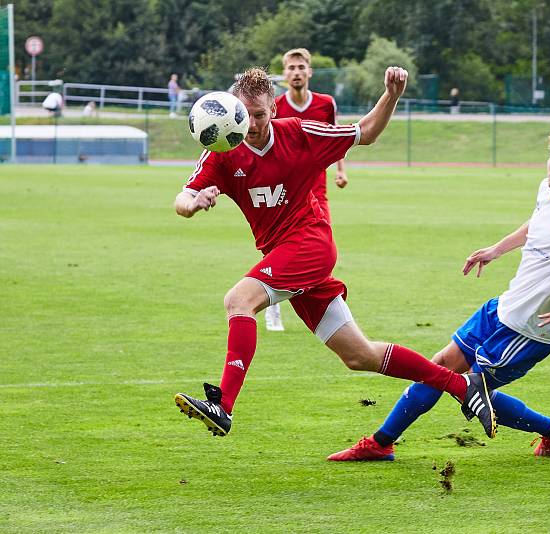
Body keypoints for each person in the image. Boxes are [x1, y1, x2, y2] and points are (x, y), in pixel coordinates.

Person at [172, 66, 496, 440]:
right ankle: (462, 385)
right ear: (235, 112)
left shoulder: (301, 134)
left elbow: (367, 133)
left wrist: (391, 94)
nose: (253, 123)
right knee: (360, 356)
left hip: (310, 243)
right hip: (286, 257)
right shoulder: (223, 151)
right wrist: (194, 201)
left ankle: (223, 405)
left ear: (273, 110)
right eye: (246, 115)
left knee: (238, 300)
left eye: (260, 114)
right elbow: (182, 198)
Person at [328, 122, 550, 461]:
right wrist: (497, 249)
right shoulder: (548, 189)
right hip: (501, 308)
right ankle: (380, 444)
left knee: (471, 392)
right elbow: (538, 223)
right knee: (440, 366)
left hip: (530, 329)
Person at [263, 48, 350, 332]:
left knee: (321, 244)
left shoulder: (325, 103)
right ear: (284, 74)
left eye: (301, 67)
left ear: (309, 72)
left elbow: (337, 138)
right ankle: (272, 303)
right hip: (285, 191)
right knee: (278, 244)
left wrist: (340, 171)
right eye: (291, 67)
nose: (296, 72)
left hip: (317, 189)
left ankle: (324, 305)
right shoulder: (274, 107)